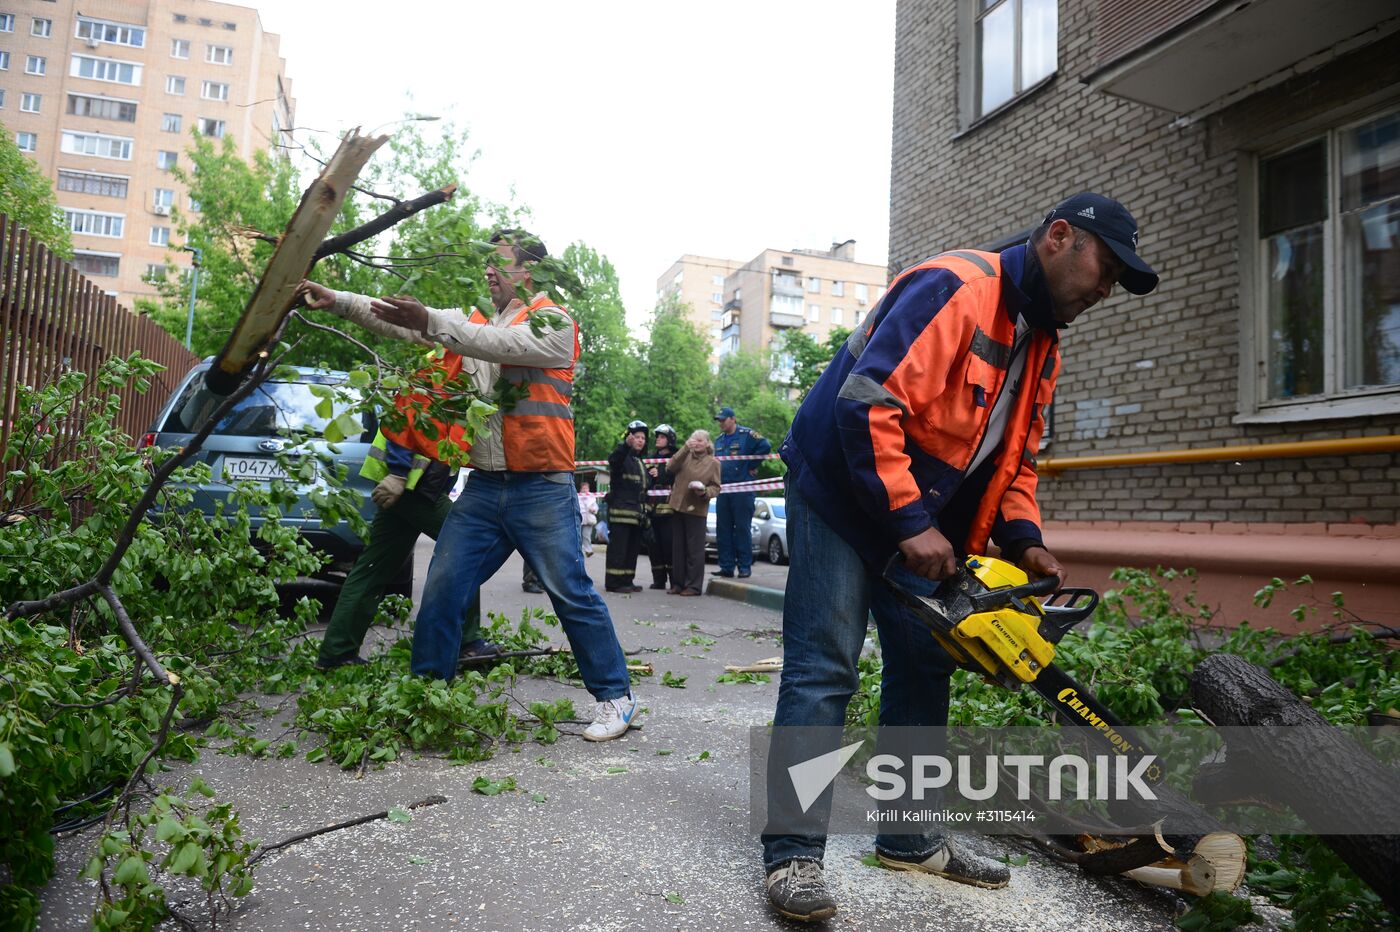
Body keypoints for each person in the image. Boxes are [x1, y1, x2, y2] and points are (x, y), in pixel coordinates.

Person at [760, 193, 1160, 921]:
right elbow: (865, 403)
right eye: (1106, 269)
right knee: (825, 669)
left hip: (923, 520)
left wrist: (1024, 538)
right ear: (1059, 236)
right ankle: (793, 855)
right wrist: (911, 522)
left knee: (925, 667)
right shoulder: (956, 288)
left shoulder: (1042, 344)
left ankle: (908, 839)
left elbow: (1016, 462)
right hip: (840, 495)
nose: (1106, 289)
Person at [302, 229, 639, 742]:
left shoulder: (553, 323)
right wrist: (337, 300)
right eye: (487, 263)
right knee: (443, 586)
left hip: (542, 489)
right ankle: (427, 695)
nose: (488, 271)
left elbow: (493, 344)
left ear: (528, 271)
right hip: (482, 488)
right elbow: (400, 320)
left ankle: (616, 697)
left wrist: (433, 322)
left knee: (570, 591)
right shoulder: (476, 321)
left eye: (498, 263)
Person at [300, 303, 496, 671]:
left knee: (374, 567)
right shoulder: (446, 365)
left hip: (411, 485)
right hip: (412, 485)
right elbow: (406, 415)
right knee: (466, 545)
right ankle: (468, 643)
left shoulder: (452, 364)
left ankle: (336, 652)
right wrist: (399, 472)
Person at [711, 405, 771, 579]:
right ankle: (726, 566)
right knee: (723, 529)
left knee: (742, 528)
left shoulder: (747, 435)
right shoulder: (719, 440)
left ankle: (744, 566)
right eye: (719, 420)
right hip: (724, 490)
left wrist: (751, 466)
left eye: (723, 420)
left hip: (743, 489)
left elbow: (765, 446)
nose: (721, 423)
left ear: (733, 419)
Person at [665, 429, 721, 596]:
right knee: (678, 548)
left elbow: (716, 487)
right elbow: (670, 467)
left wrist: (704, 492)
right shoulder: (685, 456)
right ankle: (677, 583)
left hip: (697, 509)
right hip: (678, 506)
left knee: (694, 550)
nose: (696, 443)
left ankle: (694, 586)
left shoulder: (713, 463)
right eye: (693, 439)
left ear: (707, 444)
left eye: (700, 440)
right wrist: (684, 449)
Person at [604, 420, 649, 593]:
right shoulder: (622, 455)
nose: (640, 440)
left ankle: (627, 580)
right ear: (629, 438)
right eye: (637, 437)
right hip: (621, 513)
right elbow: (614, 461)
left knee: (631, 550)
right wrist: (625, 446)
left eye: (643, 438)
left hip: (636, 514)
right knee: (619, 549)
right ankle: (614, 583)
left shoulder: (639, 461)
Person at [646, 424, 677, 589]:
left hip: (669, 510)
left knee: (669, 545)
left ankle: (674, 580)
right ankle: (658, 580)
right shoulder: (652, 458)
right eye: (657, 436)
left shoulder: (676, 457)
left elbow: (678, 478)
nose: (658, 439)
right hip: (652, 509)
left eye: (662, 437)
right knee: (654, 545)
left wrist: (661, 475)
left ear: (670, 440)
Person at [578, 478, 599, 557]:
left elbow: (596, 508)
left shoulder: (592, 497)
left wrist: (593, 510)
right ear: (581, 489)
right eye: (583, 488)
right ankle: (579, 551)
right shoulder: (578, 496)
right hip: (579, 519)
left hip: (588, 519)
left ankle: (588, 550)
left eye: (586, 488)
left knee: (586, 535)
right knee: (578, 535)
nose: (585, 490)